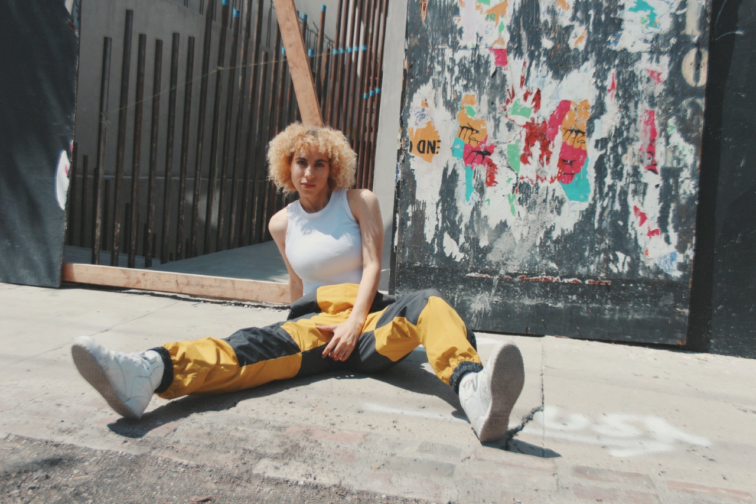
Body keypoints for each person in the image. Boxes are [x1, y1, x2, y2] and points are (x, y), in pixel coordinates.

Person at [71, 123, 525, 443]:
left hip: (368, 319)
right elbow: (297, 284)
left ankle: (475, 393)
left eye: (319, 164)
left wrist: (354, 323)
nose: (309, 173)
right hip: (315, 325)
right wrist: (289, 328)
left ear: (333, 168)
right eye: (301, 162)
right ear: (286, 165)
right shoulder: (281, 223)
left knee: (430, 303)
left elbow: (373, 266)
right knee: (247, 347)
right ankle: (147, 372)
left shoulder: (358, 201)